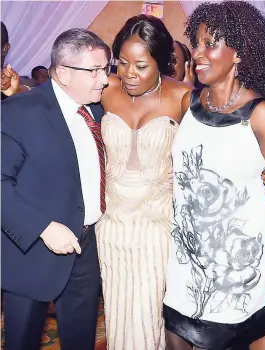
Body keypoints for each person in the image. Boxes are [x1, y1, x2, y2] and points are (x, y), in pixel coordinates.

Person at [163, 2, 265, 350]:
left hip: (237, 255)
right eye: (196, 43)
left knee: (241, 333)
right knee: (177, 328)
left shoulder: (261, 113)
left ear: (239, 53)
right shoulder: (188, 104)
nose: (198, 53)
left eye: (210, 43)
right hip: (187, 249)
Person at [1, 28, 109, 350]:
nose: (104, 79)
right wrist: (44, 228)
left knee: (81, 341)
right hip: (32, 254)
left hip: (86, 251)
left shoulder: (96, 109)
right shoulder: (19, 112)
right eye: (95, 71)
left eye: (106, 68)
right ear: (62, 73)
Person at [94, 14, 191, 350]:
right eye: (122, 62)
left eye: (140, 65)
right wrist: (20, 92)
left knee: (150, 314)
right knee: (119, 313)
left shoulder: (183, 98)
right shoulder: (104, 89)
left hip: (158, 225)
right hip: (112, 224)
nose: (129, 74)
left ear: (161, 63)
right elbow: (59, 101)